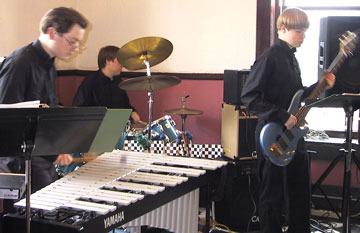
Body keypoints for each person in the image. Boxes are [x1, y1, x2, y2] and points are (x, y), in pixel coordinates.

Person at [241, 8, 335, 233]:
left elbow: (297, 96)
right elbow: (249, 97)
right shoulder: (270, 56)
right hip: (272, 133)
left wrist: (322, 86)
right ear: (283, 29)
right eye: (299, 31)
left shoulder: (292, 59)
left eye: (305, 32)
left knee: (299, 190)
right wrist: (283, 116)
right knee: (272, 194)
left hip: (292, 134)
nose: (303, 36)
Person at [0, 6, 88, 205]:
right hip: (21, 166)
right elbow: (7, 122)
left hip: (40, 161)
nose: (75, 49)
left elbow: (45, 114)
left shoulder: (49, 64)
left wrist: (59, 145)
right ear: (52, 32)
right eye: (72, 42)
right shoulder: (20, 62)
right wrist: (52, 150)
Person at [72, 45, 141, 123]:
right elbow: (78, 108)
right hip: (96, 128)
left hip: (116, 125)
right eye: (119, 60)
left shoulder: (118, 81)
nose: (122, 64)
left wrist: (132, 112)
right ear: (108, 61)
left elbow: (125, 105)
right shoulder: (90, 82)